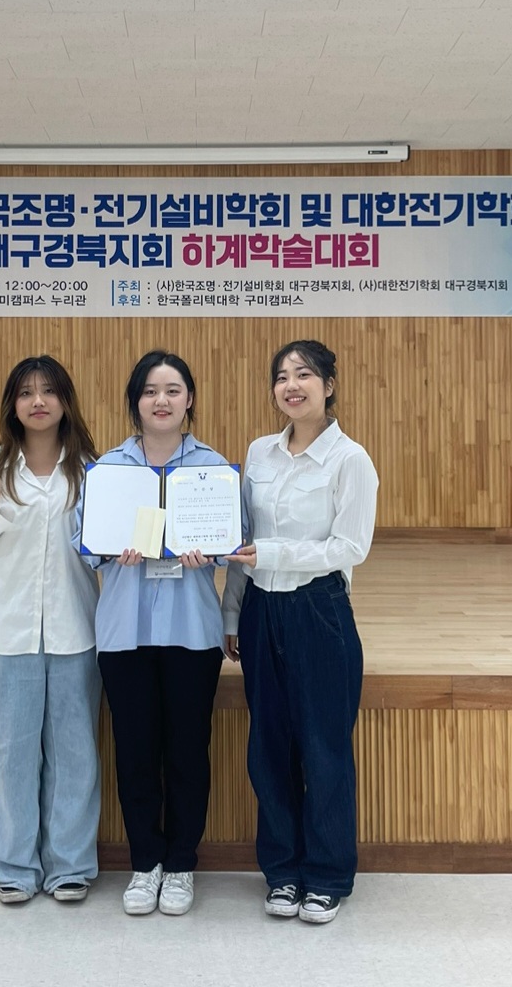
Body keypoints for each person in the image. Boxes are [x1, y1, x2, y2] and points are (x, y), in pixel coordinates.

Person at [223, 340, 378, 925]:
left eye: (305, 374)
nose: (292, 385)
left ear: (329, 386)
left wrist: (276, 554)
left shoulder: (350, 460)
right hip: (261, 610)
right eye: (282, 376)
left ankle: (329, 876)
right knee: (269, 748)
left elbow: (349, 547)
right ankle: (282, 872)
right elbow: (243, 541)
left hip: (319, 611)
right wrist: (232, 615)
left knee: (324, 748)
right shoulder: (258, 454)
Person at [77, 350, 227, 917]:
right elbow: (85, 545)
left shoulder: (213, 468)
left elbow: (231, 546)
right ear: (134, 402)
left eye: (172, 390)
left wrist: (209, 551)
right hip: (125, 632)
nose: (160, 400)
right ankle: (146, 863)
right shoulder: (107, 470)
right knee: (136, 751)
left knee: (188, 751)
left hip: (192, 631)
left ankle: (181, 864)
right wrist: (110, 547)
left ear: (190, 400)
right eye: (149, 391)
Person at [0, 355, 102, 905]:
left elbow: (100, 550)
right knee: (13, 752)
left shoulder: (91, 469)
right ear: (12, 404)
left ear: (65, 400)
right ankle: (13, 865)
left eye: (48, 391)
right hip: (8, 629)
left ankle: (69, 864)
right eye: (25, 392)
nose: (37, 401)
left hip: (74, 628)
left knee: (74, 754)